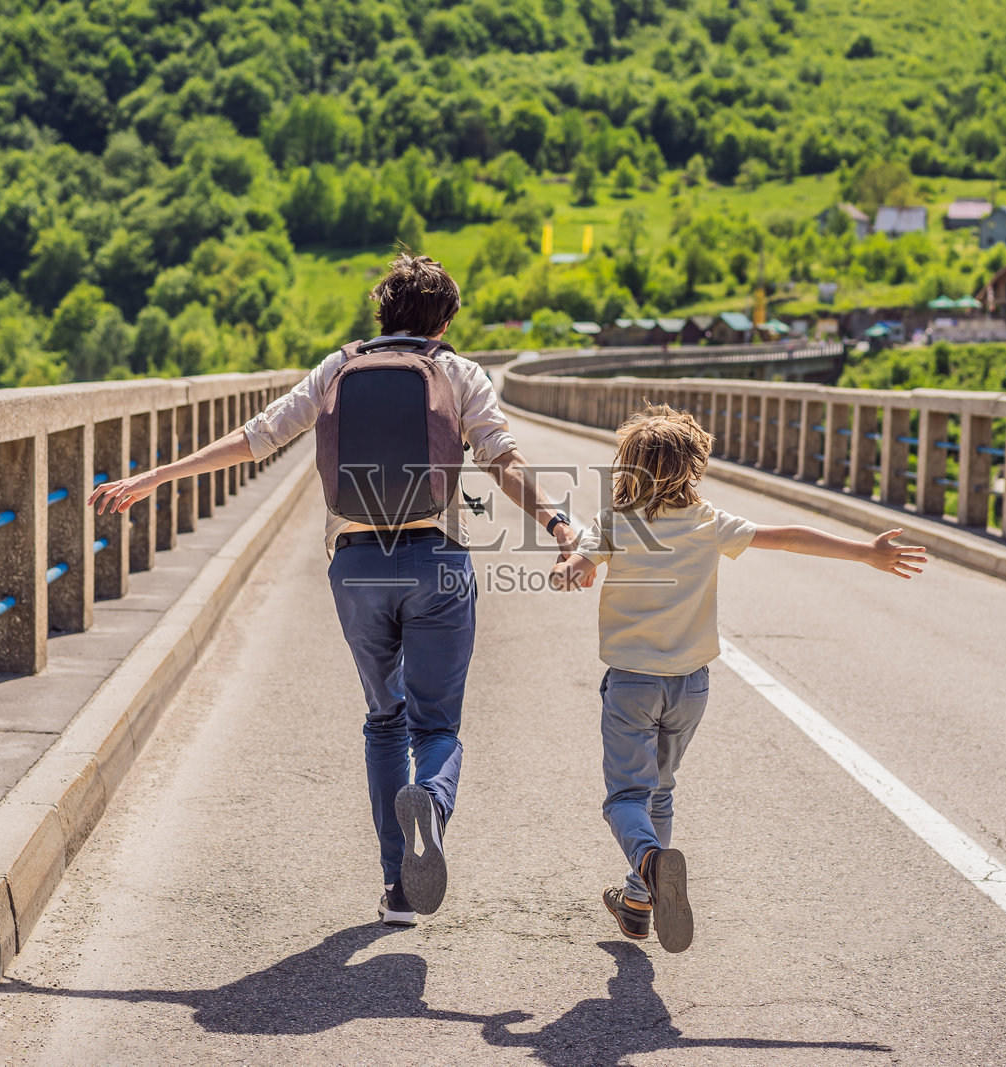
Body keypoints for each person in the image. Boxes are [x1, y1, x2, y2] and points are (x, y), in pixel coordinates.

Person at [90, 254, 579, 928]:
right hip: (434, 557)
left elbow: (258, 436)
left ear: (382, 312)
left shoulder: (338, 367)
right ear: (445, 321)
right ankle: (430, 804)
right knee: (435, 724)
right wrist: (556, 521)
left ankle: (398, 888)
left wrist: (157, 476)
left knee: (386, 719)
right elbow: (502, 458)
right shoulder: (458, 372)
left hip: (356, 566)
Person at [549, 404, 926, 953]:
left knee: (626, 796)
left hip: (632, 683)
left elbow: (579, 564)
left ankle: (650, 865)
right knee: (662, 790)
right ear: (692, 467)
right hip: (690, 687)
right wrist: (865, 552)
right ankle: (637, 900)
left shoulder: (615, 522)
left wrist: (568, 571)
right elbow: (789, 537)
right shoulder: (708, 523)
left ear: (628, 466)